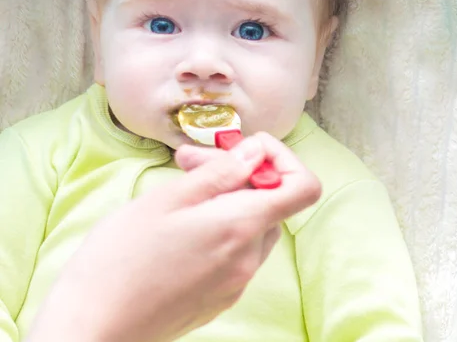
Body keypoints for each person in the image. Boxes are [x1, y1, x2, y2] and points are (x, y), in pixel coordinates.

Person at [0, 0, 423, 341]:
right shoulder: (39, 152)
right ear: (101, 45)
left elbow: (378, 328)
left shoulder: (327, 186)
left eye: (253, 30)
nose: (203, 64)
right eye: (161, 25)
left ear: (315, 59)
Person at [23, 137, 323, 342]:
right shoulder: (38, 150)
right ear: (100, 57)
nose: (203, 64)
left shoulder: (324, 175)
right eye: (163, 37)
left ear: (312, 72)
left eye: (253, 37)